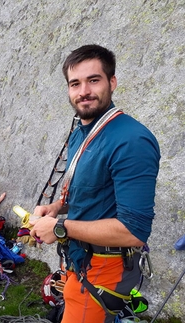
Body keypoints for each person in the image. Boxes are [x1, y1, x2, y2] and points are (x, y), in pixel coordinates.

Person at [30, 45, 160, 323]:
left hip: (105, 267)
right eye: (75, 83)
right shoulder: (82, 132)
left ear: (112, 82)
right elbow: (88, 191)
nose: (84, 91)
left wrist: (60, 228)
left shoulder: (131, 140)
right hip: (82, 259)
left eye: (93, 80)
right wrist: (56, 208)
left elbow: (133, 232)